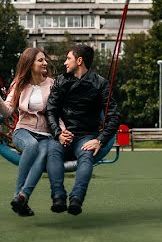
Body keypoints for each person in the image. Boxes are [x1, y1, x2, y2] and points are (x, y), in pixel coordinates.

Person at [45, 44, 120, 216]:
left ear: (79, 61)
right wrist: (58, 133)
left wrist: (100, 140)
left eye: (68, 58)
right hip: (64, 133)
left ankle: (76, 199)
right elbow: (51, 110)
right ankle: (58, 196)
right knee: (53, 152)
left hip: (86, 135)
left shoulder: (100, 83)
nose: (65, 63)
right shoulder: (61, 81)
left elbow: (114, 115)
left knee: (86, 157)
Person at [0, 48, 54, 218]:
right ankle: (19, 194)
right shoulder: (19, 84)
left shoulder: (52, 84)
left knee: (43, 152)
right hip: (23, 131)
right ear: (30, 64)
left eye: (44, 60)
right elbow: (7, 112)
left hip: (46, 133)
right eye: (40, 60)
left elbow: (58, 110)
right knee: (32, 146)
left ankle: (22, 198)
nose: (45, 63)